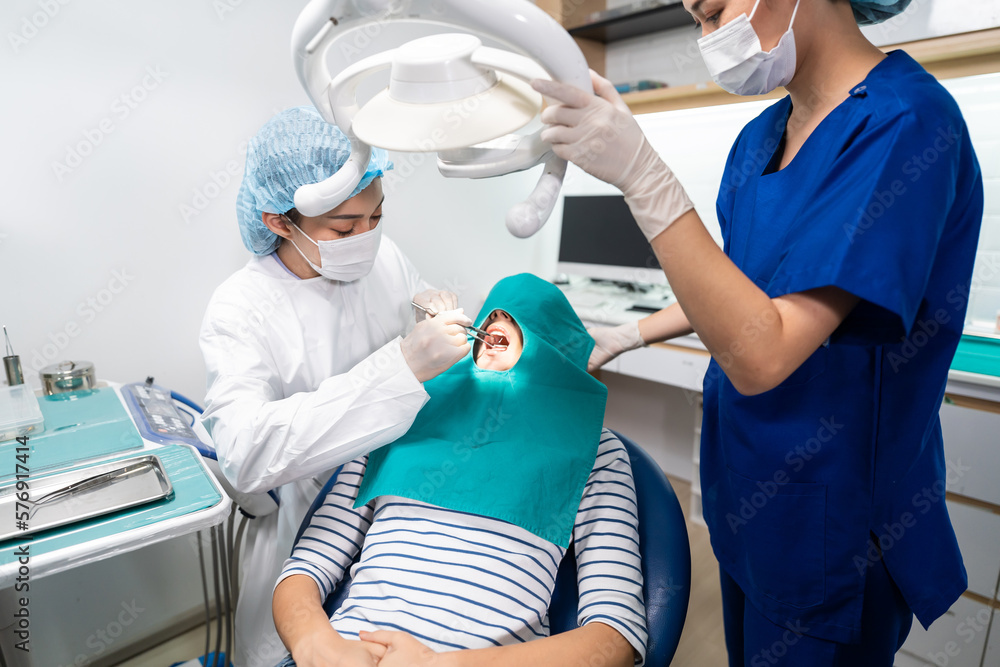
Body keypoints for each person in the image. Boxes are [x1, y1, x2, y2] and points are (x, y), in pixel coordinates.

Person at [533, 0, 983, 665]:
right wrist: (622, 336)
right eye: (697, 20)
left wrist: (643, 176)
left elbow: (763, 351)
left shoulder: (905, 126)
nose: (709, 38)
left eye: (715, 11)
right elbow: (744, 286)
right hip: (750, 496)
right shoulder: (760, 139)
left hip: (832, 527)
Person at [199, 106, 473, 667]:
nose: (366, 238)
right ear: (279, 222)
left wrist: (428, 306)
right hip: (302, 526)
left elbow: (410, 296)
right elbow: (247, 455)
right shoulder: (239, 309)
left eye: (375, 218)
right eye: (345, 229)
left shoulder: (382, 256)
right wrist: (400, 369)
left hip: (396, 506)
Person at [271, 274, 647, 667]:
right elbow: (306, 567)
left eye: (521, 318)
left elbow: (617, 634)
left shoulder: (595, 450)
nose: (498, 318)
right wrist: (316, 644)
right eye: (492, 313)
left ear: (558, 355)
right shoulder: (398, 415)